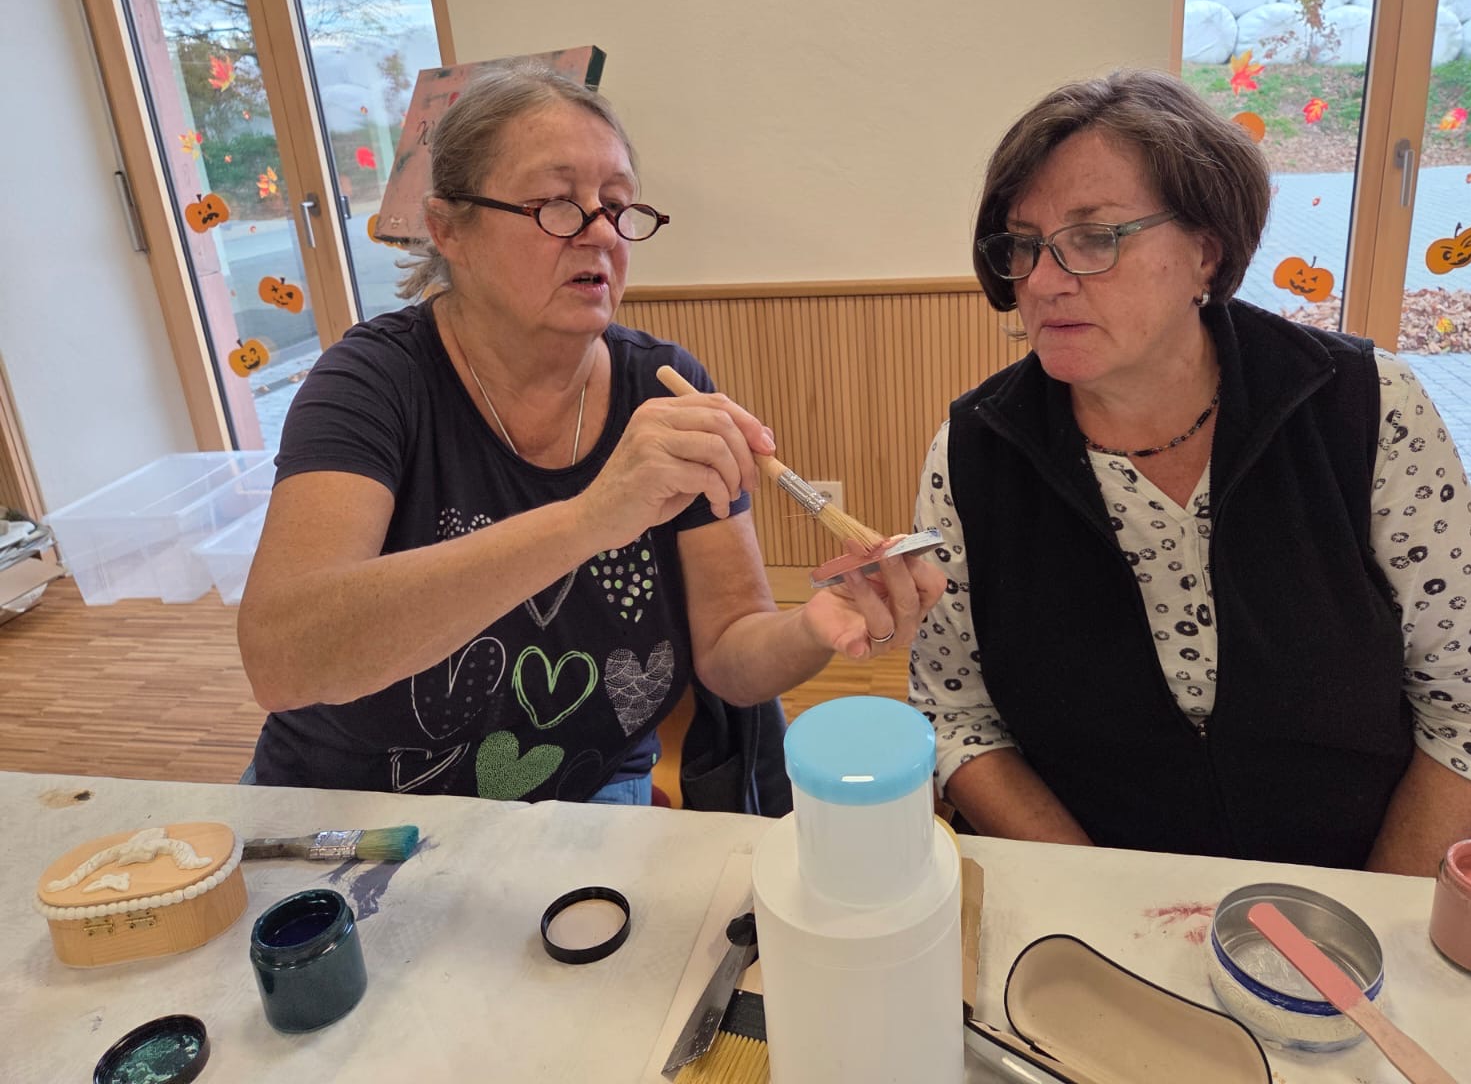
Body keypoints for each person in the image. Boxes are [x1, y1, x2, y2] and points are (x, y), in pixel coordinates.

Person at [237, 62, 943, 808]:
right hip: (352, 807)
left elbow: (730, 651)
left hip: (588, 801)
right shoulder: (375, 382)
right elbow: (283, 658)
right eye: (556, 204)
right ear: (448, 229)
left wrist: (814, 627)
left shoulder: (665, 389)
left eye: (616, 205)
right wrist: (589, 519)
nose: (602, 232)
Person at [910, 69, 1471, 875]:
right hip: (1088, 899)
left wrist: (1373, 918)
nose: (1043, 281)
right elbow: (957, 713)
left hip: (1346, 888)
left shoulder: (1363, 408)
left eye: (1094, 238)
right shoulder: (974, 451)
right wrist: (1105, 897)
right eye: (1023, 244)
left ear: (1206, 251)